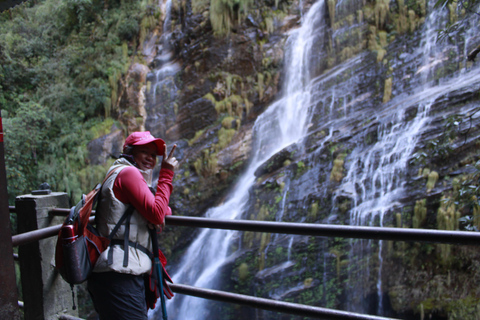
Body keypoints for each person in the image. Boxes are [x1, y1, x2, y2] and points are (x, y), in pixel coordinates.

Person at [87, 131, 177, 320]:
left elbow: (159, 211)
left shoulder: (122, 172)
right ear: (130, 152)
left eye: (154, 155)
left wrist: (159, 210)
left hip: (121, 272)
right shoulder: (128, 173)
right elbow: (158, 213)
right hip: (119, 275)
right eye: (144, 151)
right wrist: (167, 173)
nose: (150, 158)